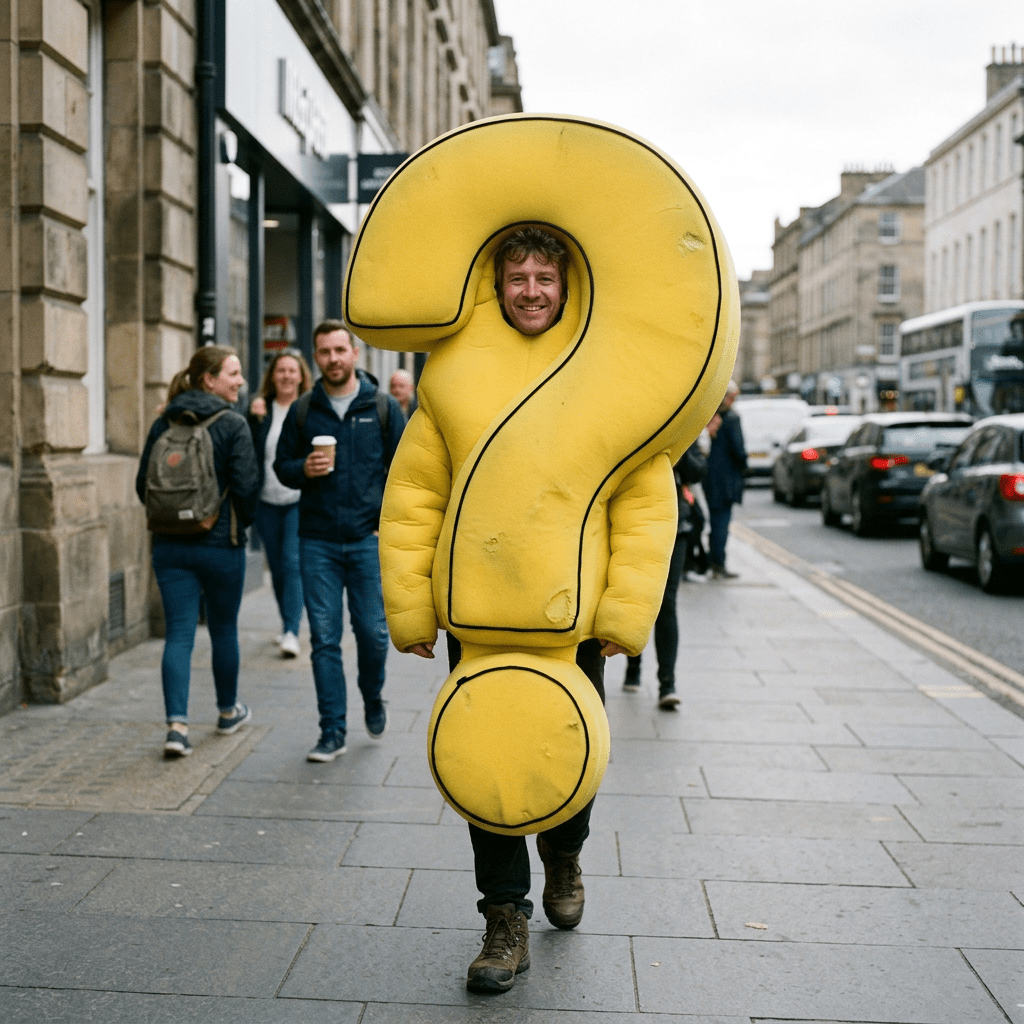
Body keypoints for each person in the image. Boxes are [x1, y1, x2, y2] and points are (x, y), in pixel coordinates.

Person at [382, 227, 675, 994]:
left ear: (567, 283)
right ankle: (504, 918)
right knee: (489, 765)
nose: (533, 290)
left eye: (546, 275)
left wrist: (624, 612)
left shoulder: (611, 372)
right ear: (497, 283)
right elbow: (415, 496)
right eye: (519, 276)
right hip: (479, 619)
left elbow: (647, 504)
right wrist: (411, 609)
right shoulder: (451, 374)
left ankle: (566, 850)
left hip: (569, 619)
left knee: (570, 755)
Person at [274, 321, 405, 762]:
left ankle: (372, 693)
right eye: (324, 352)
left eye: (339, 350)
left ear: (354, 354)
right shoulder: (304, 409)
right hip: (317, 542)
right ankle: (332, 731)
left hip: (367, 540)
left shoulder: (382, 407)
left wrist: (387, 525)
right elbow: (281, 465)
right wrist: (301, 470)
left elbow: (407, 473)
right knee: (325, 640)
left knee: (374, 634)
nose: (332, 359)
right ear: (317, 357)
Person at [136, 345, 259, 759]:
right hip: (221, 546)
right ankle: (227, 712)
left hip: (170, 547)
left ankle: (176, 727)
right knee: (223, 629)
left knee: (180, 633)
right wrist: (238, 522)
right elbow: (246, 489)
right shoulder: (233, 424)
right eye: (233, 373)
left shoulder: (165, 419)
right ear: (210, 380)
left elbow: (143, 486)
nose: (240, 381)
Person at [622, 440, 707, 707]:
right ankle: (633, 666)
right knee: (636, 598)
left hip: (676, 524)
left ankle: (667, 684)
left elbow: (697, 472)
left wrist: (676, 449)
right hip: (636, 521)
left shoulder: (683, 428)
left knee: (666, 602)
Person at [248, 349, 313, 658]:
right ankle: (286, 623)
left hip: (298, 499)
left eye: (292, 370)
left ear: (301, 376)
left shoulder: (309, 409)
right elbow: (249, 452)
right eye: (281, 370)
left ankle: (291, 630)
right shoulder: (262, 411)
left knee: (291, 563)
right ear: (272, 377)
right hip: (266, 501)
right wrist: (253, 419)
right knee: (275, 566)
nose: (287, 375)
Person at [704, 380, 747, 579]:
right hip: (726, 481)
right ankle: (718, 565)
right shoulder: (732, 418)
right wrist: (744, 466)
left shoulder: (708, 415)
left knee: (713, 522)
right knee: (722, 523)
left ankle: (713, 562)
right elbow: (739, 450)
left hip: (707, 478)